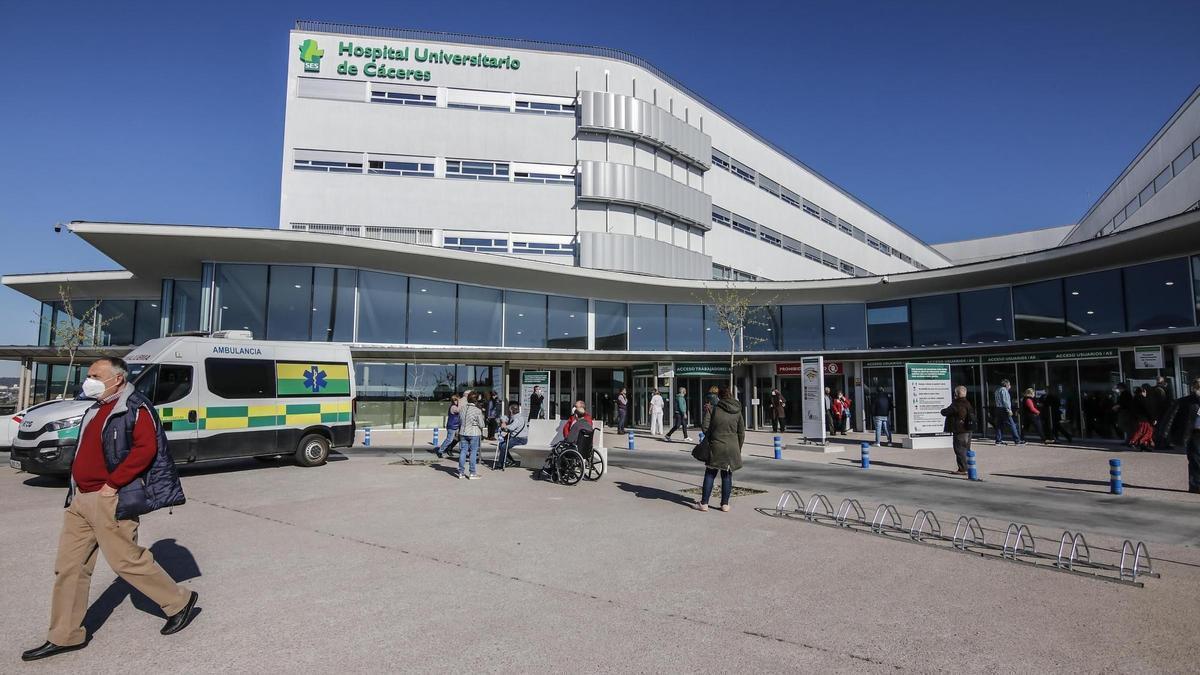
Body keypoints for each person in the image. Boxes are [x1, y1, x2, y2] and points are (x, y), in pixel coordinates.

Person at [23, 357, 197, 663]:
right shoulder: (95, 407)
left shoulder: (135, 407)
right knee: (69, 567)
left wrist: (112, 485)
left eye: (95, 375)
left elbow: (146, 450)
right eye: (88, 374)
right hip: (80, 499)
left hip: (109, 498)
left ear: (117, 379)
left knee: (126, 561)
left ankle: (179, 602)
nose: (88, 380)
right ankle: (65, 635)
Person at [693, 384, 745, 513]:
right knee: (727, 475)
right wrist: (737, 447)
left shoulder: (714, 409)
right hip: (732, 447)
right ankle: (725, 504)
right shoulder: (737, 411)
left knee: (710, 473)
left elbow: (705, 427)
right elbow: (741, 433)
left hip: (716, 446)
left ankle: (704, 503)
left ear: (719, 396)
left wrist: (712, 437)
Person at [1164, 378, 1200, 493]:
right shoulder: (1185, 402)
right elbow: (1170, 418)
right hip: (1194, 434)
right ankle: (1196, 485)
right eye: (1197, 387)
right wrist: (1165, 434)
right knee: (1195, 460)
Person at [941, 385, 975, 475]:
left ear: (956, 394)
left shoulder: (957, 404)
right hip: (968, 429)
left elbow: (945, 412)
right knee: (966, 448)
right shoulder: (967, 403)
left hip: (960, 430)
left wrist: (942, 410)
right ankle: (969, 467)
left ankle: (963, 469)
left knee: (959, 449)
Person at [458, 391, 485, 479]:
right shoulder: (477, 411)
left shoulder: (462, 409)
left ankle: (461, 472)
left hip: (463, 432)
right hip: (474, 432)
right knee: (473, 452)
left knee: (463, 451)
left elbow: (459, 420)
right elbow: (482, 424)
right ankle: (472, 473)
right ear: (476, 400)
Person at [495, 400, 527, 470]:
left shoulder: (518, 418)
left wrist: (505, 426)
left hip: (520, 439)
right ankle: (509, 461)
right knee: (501, 445)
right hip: (515, 438)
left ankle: (501, 463)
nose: (509, 411)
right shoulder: (513, 416)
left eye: (509, 409)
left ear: (511, 410)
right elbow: (504, 417)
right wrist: (503, 421)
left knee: (503, 446)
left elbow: (512, 427)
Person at [992, 380, 1023, 445]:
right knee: (1012, 424)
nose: (1010, 386)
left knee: (999, 425)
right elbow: (1005, 401)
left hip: (998, 409)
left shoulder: (997, 390)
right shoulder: (1004, 390)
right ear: (1006, 385)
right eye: (1009, 385)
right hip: (1004, 409)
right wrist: (1009, 410)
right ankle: (1017, 440)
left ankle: (998, 440)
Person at [1128, 385, 1156, 451]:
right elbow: (1148, 410)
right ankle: (1133, 442)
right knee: (1147, 432)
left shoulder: (1134, 399)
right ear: (1144, 391)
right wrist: (1153, 419)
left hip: (1138, 419)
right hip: (1144, 419)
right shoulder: (1143, 399)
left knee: (1143, 432)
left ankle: (1143, 445)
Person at [1153, 376, 1175, 449]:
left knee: (1160, 428)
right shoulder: (1162, 390)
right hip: (1163, 412)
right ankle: (1162, 444)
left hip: (1160, 412)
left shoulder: (1155, 389)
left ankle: (1161, 444)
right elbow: (1167, 401)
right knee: (1163, 428)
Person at [436, 394, 461, 458]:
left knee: (458, 438)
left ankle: (449, 448)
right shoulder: (453, 407)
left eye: (457, 400)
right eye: (455, 400)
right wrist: (460, 403)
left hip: (456, 425)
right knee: (449, 439)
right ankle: (440, 451)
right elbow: (459, 410)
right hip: (452, 426)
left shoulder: (456, 406)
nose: (457, 401)